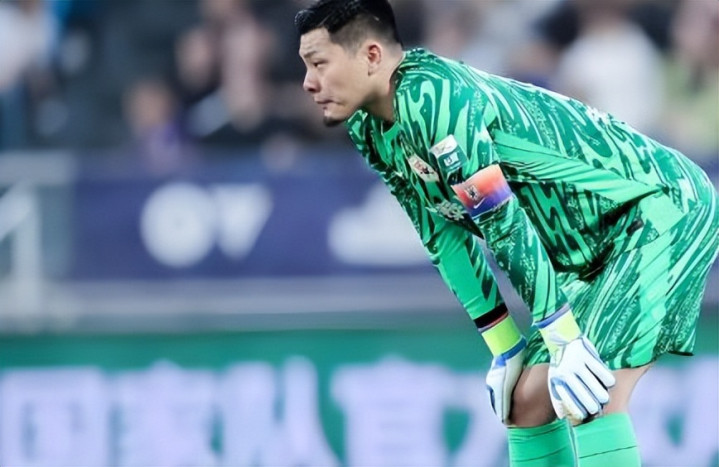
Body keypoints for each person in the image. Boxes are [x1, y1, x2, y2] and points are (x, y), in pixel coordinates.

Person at [294, 0, 719, 466]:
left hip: (660, 207)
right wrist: (504, 345)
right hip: (592, 248)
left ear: (371, 56)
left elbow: (501, 219)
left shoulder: (436, 98)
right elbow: (441, 233)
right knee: (526, 405)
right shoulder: (368, 125)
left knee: (591, 394)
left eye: (318, 63)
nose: (308, 82)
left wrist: (564, 339)